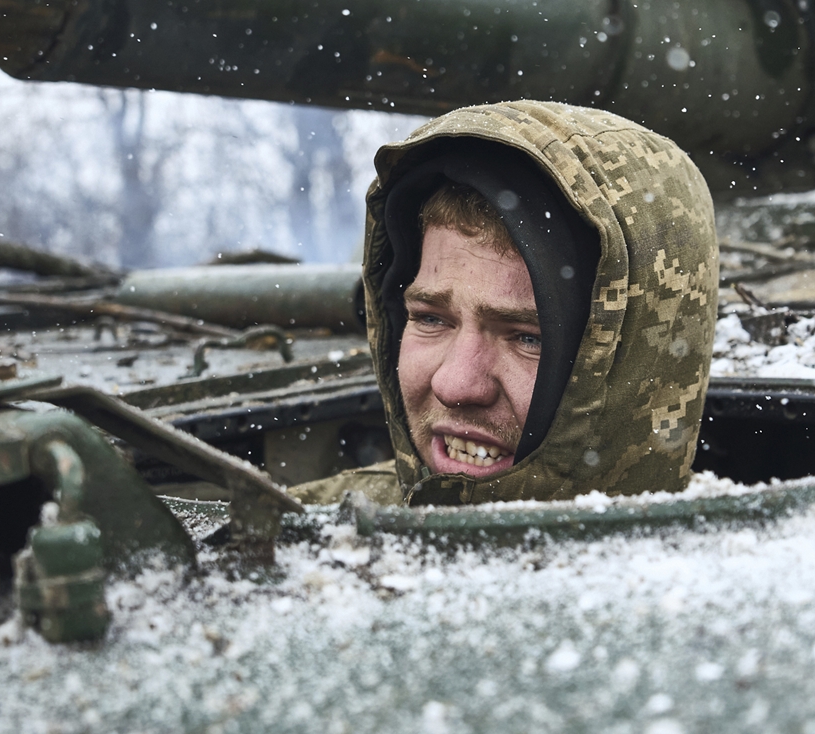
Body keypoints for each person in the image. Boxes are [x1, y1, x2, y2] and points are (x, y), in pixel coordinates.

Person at [290, 100, 718, 507]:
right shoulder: (298, 533)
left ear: (636, 364)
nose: (455, 385)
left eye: (528, 338)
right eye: (431, 319)